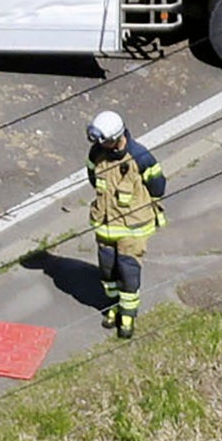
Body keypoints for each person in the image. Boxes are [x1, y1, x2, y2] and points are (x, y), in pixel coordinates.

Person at [85, 111, 167, 340]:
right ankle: (113, 305)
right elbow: (92, 176)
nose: (102, 146)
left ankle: (128, 315)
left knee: (128, 269)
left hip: (133, 228)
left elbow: (158, 186)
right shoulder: (97, 153)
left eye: (105, 141)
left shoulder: (140, 157)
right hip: (104, 225)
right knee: (107, 270)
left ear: (117, 137)